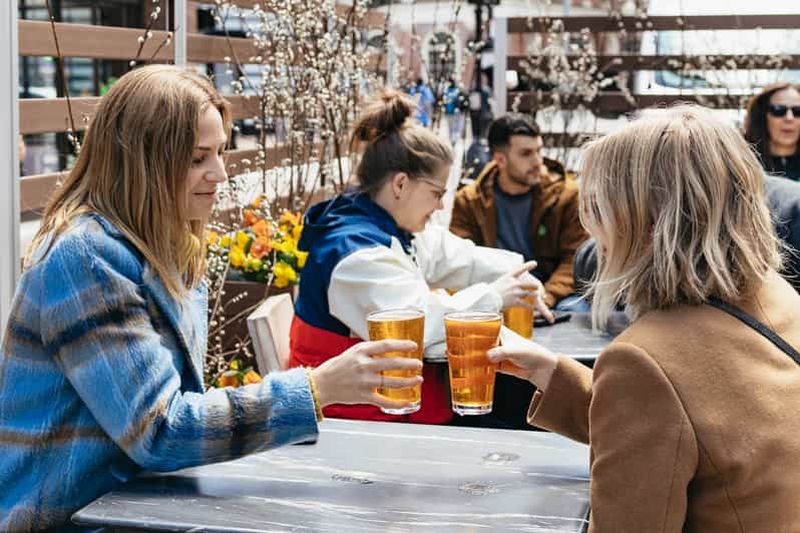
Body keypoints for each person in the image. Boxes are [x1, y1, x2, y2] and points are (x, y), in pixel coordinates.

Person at [0, 65, 423, 531]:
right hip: (65, 519)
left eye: (220, 151)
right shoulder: (85, 257)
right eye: (199, 157)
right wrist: (317, 389)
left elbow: (172, 415)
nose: (219, 173)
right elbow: (160, 432)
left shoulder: (169, 249)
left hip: (136, 506)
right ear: (143, 160)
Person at [489, 106, 800, 530]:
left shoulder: (644, 362)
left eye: (601, 207)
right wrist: (552, 372)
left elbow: (663, 403)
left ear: (647, 221)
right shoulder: (778, 297)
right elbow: (698, 427)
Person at [289, 90, 552, 424]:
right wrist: (495, 295)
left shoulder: (386, 228)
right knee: (526, 421)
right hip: (359, 422)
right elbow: (420, 329)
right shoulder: (356, 256)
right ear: (400, 184)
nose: (441, 205)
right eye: (437, 193)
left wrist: (519, 272)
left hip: (396, 408)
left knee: (521, 411)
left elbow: (457, 257)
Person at [450, 114, 589, 311]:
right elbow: (458, 259)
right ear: (500, 159)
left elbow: (575, 258)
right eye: (526, 153)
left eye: (539, 151)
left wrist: (546, 297)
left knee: (575, 308)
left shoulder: (566, 195)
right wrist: (493, 298)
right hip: (498, 292)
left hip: (553, 293)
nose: (537, 161)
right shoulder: (469, 202)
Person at [744, 82, 800, 181]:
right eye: (778, 110)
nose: (789, 118)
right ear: (762, 116)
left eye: (798, 111)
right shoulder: (744, 165)